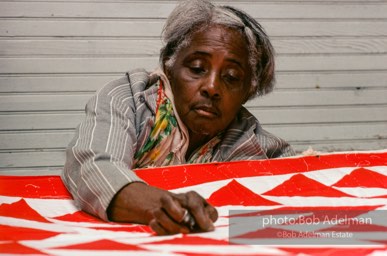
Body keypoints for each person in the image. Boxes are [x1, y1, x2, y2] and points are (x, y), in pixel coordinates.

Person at [62, 0, 295, 236]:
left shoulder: (249, 139)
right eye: (196, 68)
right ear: (169, 66)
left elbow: (300, 175)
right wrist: (163, 206)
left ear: (249, 91)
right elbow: (92, 165)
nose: (212, 87)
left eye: (232, 77)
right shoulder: (129, 100)